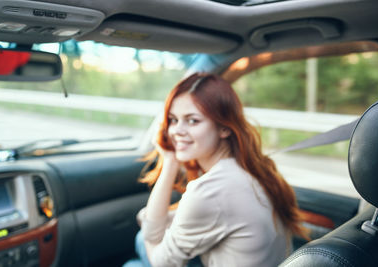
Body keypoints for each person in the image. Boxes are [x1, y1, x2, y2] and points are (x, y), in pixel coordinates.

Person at [124, 73, 309, 267]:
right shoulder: (251, 170)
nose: (177, 131)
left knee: (135, 257)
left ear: (224, 128)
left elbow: (160, 257)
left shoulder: (212, 190)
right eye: (173, 120)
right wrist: (170, 161)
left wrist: (170, 163)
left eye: (193, 120)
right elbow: (157, 230)